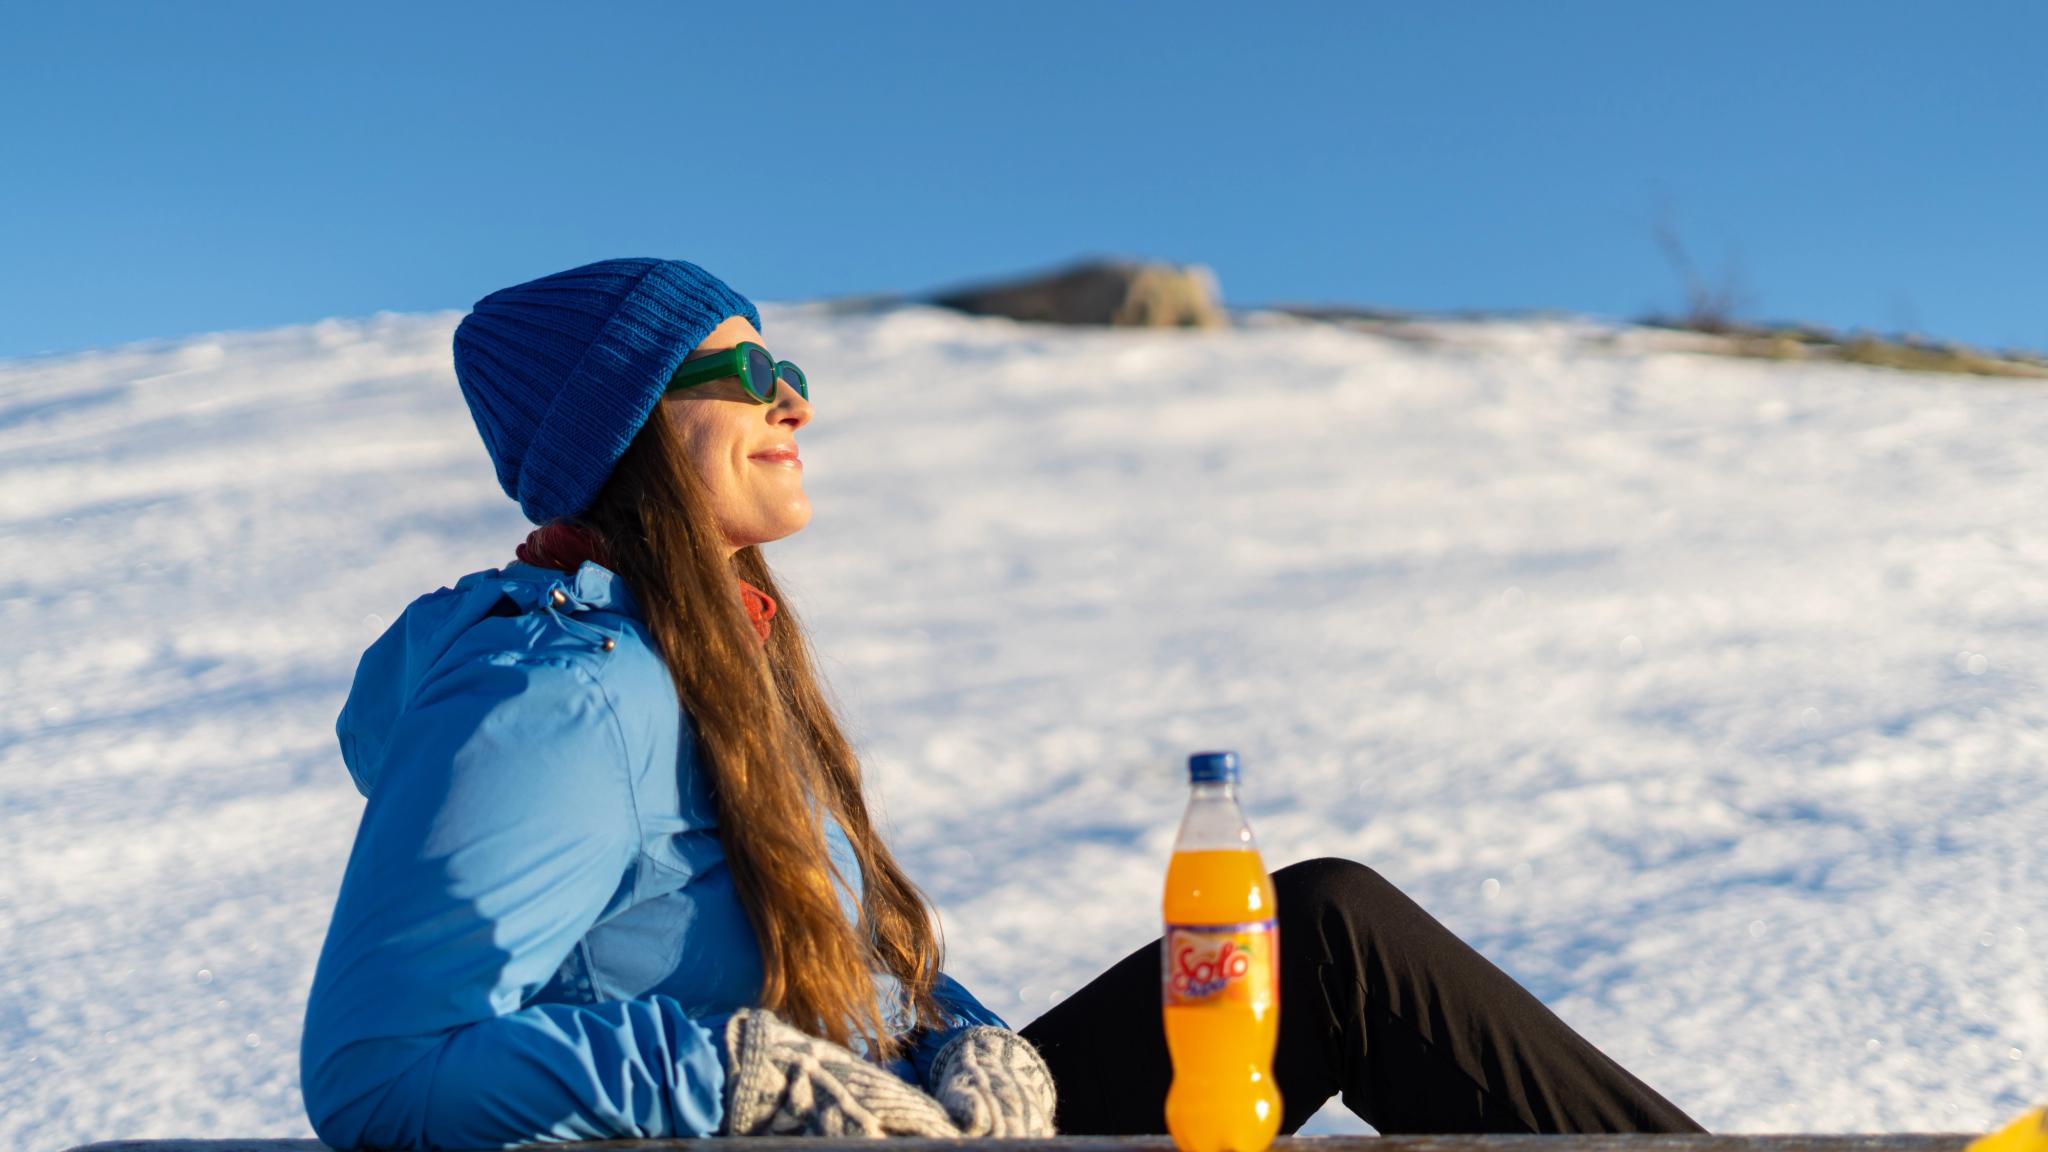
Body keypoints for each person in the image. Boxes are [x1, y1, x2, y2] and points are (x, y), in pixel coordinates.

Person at [298, 257, 1705, 1149]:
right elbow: (382, 1073)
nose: (792, 401)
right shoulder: (555, 698)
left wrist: (964, 1038)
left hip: (908, 1132)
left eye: (790, 371)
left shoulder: (721, 667)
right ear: (623, 433)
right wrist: (733, 1082)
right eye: (742, 374)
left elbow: (831, 980)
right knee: (1332, 935)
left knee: (1318, 935)